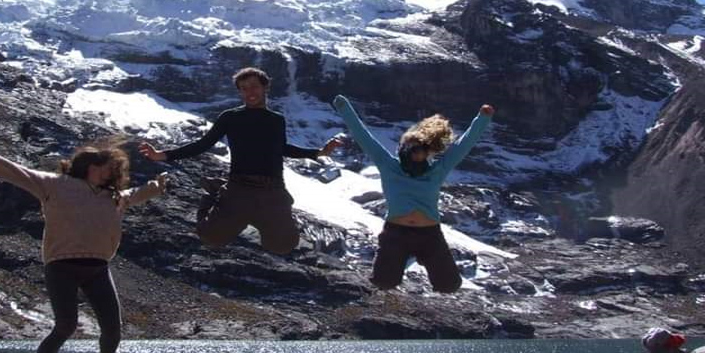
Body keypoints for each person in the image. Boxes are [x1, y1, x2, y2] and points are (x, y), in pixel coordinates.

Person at [0, 135, 167, 353]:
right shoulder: (56, 185)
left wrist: (157, 186)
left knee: (112, 325)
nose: (111, 172)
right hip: (62, 265)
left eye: (113, 169)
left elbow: (135, 194)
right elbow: (20, 174)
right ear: (91, 165)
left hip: (97, 266)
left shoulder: (113, 197)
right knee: (66, 325)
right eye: (107, 166)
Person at [138, 66, 343, 255]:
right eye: (243, 88)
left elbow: (281, 149)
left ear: (265, 87)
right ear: (239, 92)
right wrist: (163, 154)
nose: (249, 92)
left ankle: (258, 212)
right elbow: (204, 144)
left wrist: (319, 152)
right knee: (211, 238)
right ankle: (214, 194)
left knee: (283, 246)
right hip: (239, 187)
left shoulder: (276, 119)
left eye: (254, 86)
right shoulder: (230, 117)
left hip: (272, 189)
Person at [331, 95, 494, 291]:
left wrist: (482, 118)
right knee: (384, 282)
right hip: (396, 233)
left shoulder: (437, 170)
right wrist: (344, 107)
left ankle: (424, 261)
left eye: (422, 150)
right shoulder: (389, 165)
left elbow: (463, 146)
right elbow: (363, 135)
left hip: (429, 234)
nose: (418, 154)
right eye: (414, 149)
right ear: (404, 149)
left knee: (449, 285)